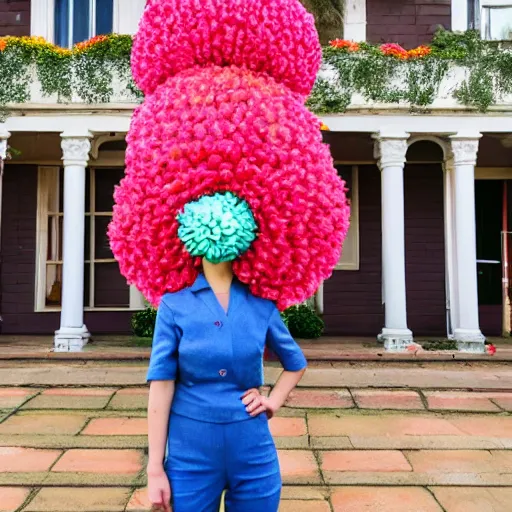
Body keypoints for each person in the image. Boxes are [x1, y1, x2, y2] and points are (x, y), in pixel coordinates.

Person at [146, 259, 307, 511]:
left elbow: (296, 363)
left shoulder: (261, 304)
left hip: (253, 452)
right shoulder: (174, 304)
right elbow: (161, 385)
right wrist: (154, 467)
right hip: (189, 455)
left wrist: (272, 401)